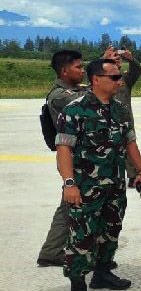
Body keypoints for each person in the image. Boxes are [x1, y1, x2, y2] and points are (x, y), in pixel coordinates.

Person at [56, 58, 141, 291]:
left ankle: (102, 273)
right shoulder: (75, 110)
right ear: (96, 79)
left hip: (115, 186)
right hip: (85, 188)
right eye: (115, 77)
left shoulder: (119, 109)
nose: (120, 81)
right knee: (82, 237)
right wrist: (69, 184)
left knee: (111, 231)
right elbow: (63, 149)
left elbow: (130, 142)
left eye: (120, 77)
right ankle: (77, 288)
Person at [37, 49, 87, 267]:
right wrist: (103, 71)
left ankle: (53, 250)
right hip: (73, 157)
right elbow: (87, 102)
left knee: (75, 204)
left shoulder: (73, 90)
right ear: (65, 71)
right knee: (70, 204)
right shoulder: (59, 96)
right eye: (79, 67)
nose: (83, 71)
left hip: (82, 156)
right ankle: (53, 250)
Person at [102, 45, 141, 182]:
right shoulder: (100, 77)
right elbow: (90, 80)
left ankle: (133, 176)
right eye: (114, 58)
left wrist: (131, 59)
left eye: (119, 58)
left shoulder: (125, 78)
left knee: (130, 146)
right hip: (105, 118)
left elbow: (137, 71)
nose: (117, 61)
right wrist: (103, 60)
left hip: (124, 119)